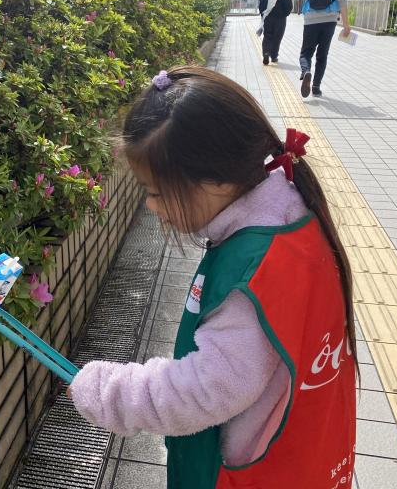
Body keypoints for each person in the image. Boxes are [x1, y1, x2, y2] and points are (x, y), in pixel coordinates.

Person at [68, 66, 357, 489]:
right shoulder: (290, 214)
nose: (150, 206)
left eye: (156, 191)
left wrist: (113, 393)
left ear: (217, 181)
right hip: (307, 451)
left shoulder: (251, 273)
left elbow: (208, 389)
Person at [298, 0, 351, 98]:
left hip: (310, 19)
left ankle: (306, 71)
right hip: (330, 20)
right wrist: (346, 25)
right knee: (322, 54)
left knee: (306, 52)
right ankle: (316, 87)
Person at [258, 0, 292, 65]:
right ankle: (274, 56)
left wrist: (262, 14)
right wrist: (285, 13)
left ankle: (266, 53)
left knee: (267, 36)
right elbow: (289, 4)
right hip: (280, 18)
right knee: (277, 37)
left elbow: (262, 1)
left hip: (268, 16)